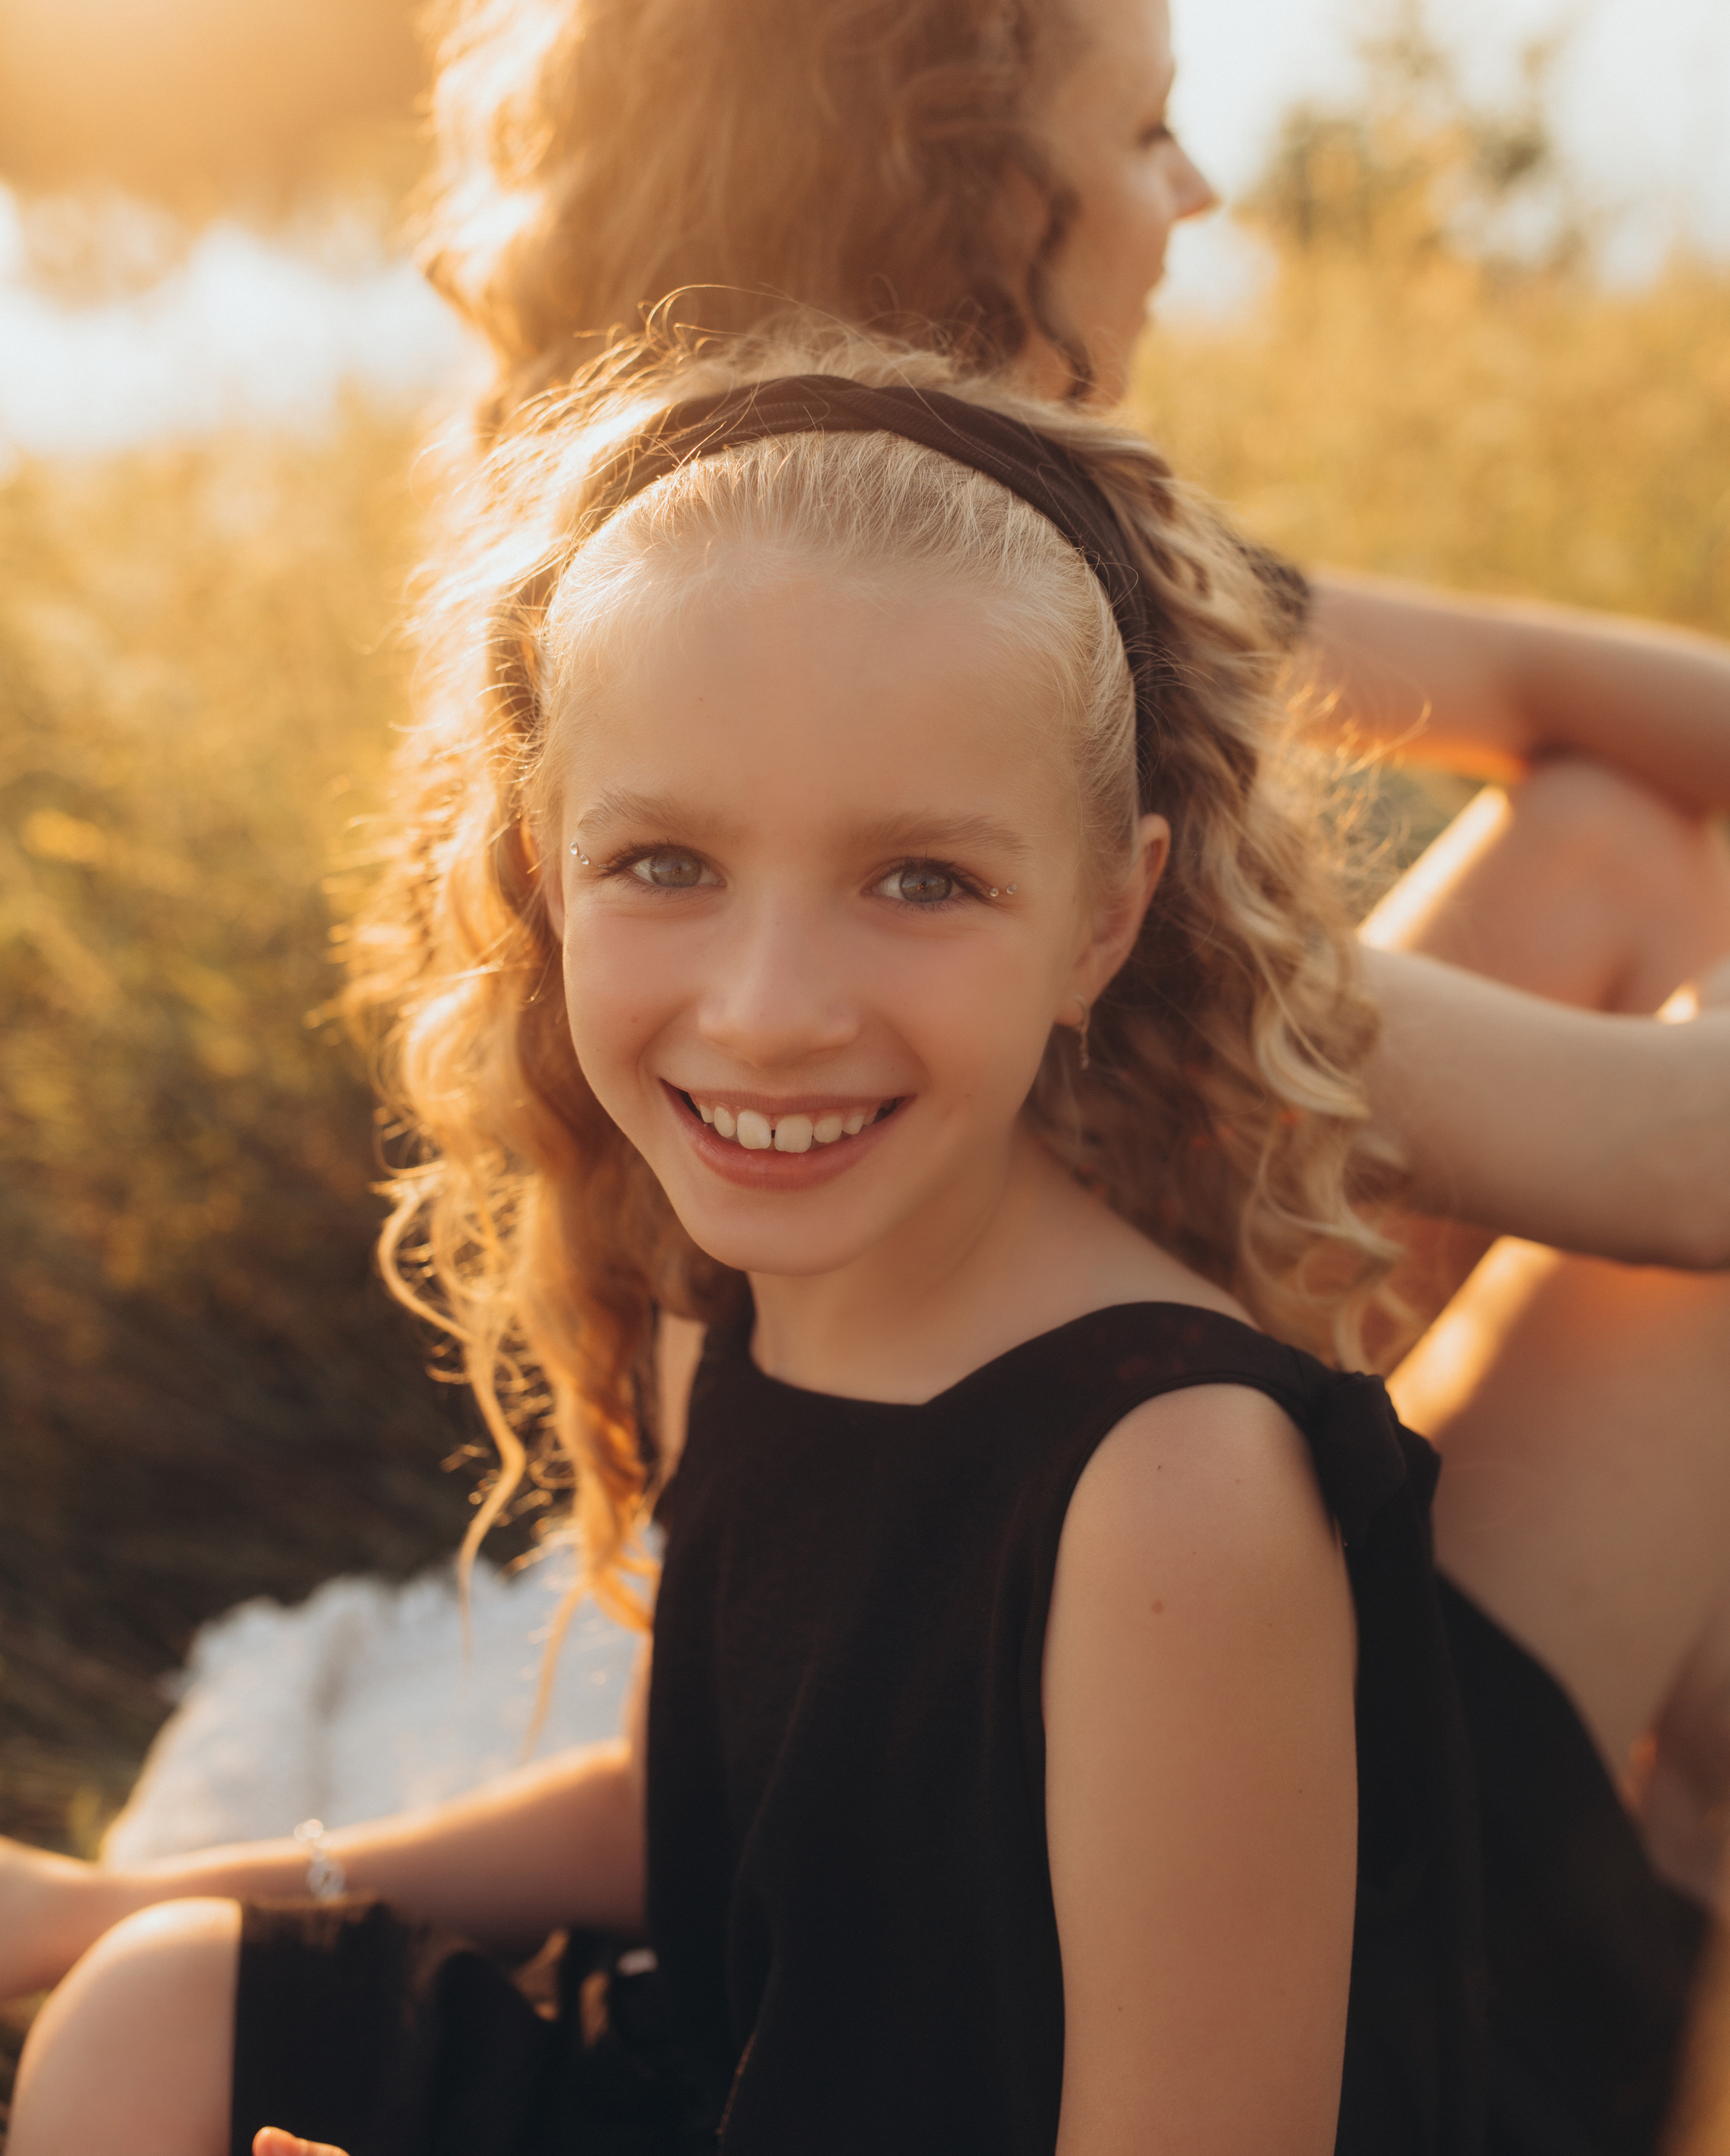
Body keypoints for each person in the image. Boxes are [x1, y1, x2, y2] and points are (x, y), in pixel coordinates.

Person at [5, 337, 1706, 2156]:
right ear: (536, 860)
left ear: (1104, 918)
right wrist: (103, 1908)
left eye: (922, 881)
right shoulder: (723, 1291)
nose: (770, 1011)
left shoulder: (1176, 1492)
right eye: (665, 862)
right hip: (753, 2085)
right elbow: (687, 1829)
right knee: (166, 1999)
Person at [416, 0, 1730, 1898]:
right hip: (1144, 1803)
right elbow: (1687, 1172)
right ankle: (1657, 1911)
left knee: (1608, 834)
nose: (1193, 192)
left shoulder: (698, 574)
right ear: (961, 187)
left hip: (1046, 1570)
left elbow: (1549, 688)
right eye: (1143, 132)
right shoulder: (953, 740)